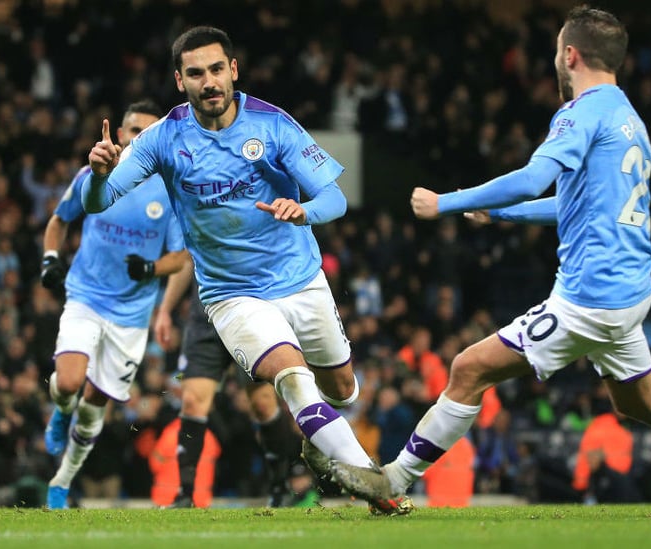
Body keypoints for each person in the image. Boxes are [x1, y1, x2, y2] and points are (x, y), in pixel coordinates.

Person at [330, 5, 651, 517]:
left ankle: (393, 479)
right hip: (630, 291)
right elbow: (571, 203)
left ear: (570, 54)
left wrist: (445, 202)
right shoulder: (630, 120)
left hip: (590, 296)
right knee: (640, 401)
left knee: (468, 368)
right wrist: (501, 215)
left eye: (556, 55)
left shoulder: (580, 113)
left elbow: (531, 178)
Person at [82, 26, 409, 515]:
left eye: (217, 69)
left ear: (233, 70)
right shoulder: (163, 138)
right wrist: (100, 174)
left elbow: (334, 198)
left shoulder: (273, 125)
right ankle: (377, 485)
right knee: (291, 376)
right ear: (180, 81)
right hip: (231, 294)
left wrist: (304, 211)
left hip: (300, 278)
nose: (209, 82)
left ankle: (318, 445)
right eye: (196, 73)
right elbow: (99, 201)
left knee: (341, 387)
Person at [40, 99, 191, 510]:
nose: (138, 138)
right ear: (120, 134)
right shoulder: (94, 176)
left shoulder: (169, 191)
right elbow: (59, 220)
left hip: (132, 314)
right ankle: (59, 408)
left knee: (96, 405)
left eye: (148, 132)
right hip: (87, 296)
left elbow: (182, 256)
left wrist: (151, 268)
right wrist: (50, 258)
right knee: (70, 384)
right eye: (132, 130)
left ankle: (62, 481)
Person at [152, 273, 301, 508]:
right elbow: (183, 259)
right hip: (205, 318)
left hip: (250, 313)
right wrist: (165, 310)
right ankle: (185, 494)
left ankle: (280, 488)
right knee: (192, 402)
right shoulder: (195, 233)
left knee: (262, 403)